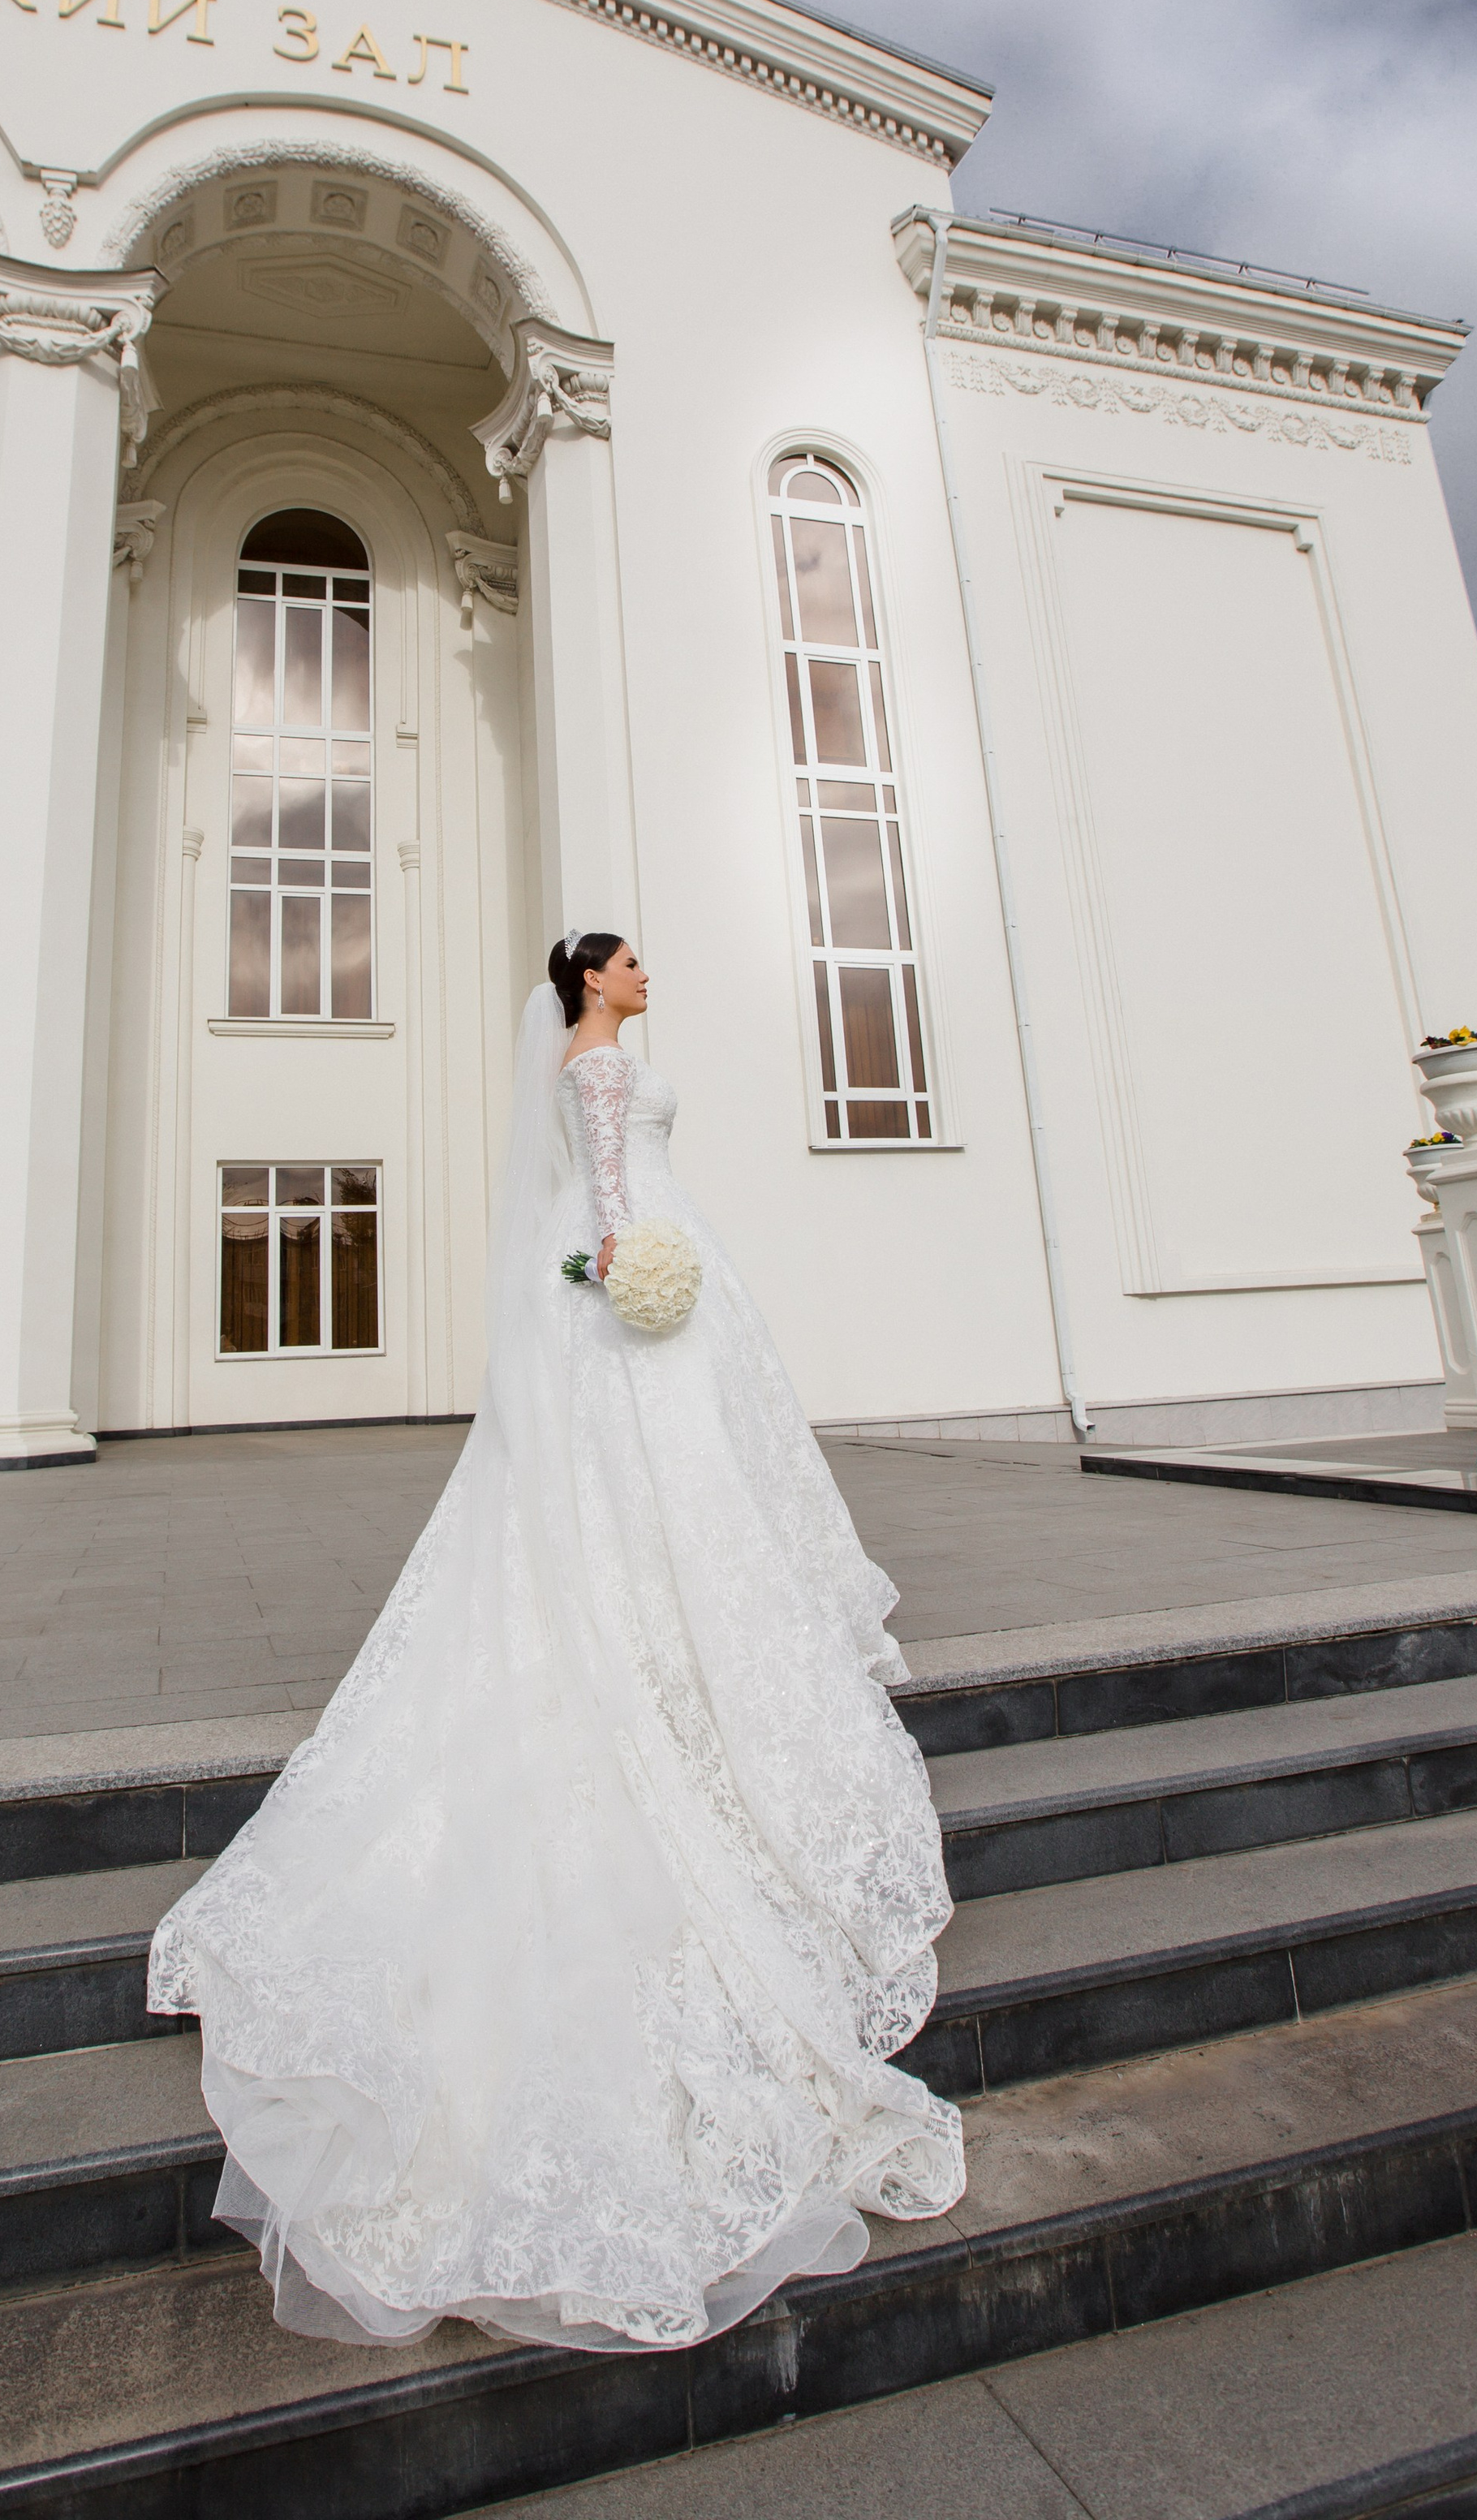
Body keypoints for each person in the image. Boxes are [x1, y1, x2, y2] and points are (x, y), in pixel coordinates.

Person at [148, 929, 963, 2352]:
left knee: (665, 1501)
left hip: (648, 1265)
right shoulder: (602, 1070)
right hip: (644, 1270)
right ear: (591, 982)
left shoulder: (592, 1058)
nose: (653, 974)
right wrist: (633, 1262)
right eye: (635, 961)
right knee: (673, 1497)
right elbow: (600, 1193)